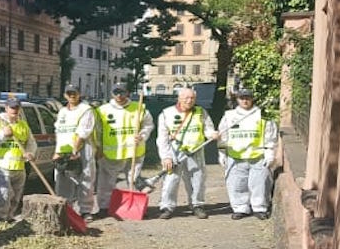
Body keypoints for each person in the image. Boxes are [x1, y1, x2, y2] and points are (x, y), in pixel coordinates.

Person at [156, 88, 218, 219]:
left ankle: (197, 205)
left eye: (192, 98)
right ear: (179, 98)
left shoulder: (201, 112)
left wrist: (212, 134)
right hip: (174, 152)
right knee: (171, 179)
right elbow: (162, 138)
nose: (189, 101)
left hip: (196, 151)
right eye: (186, 98)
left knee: (198, 179)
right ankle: (167, 206)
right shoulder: (166, 114)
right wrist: (166, 157)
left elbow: (208, 129)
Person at [93, 83, 154, 216]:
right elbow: (97, 131)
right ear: (112, 94)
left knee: (133, 180)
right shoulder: (102, 110)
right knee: (106, 182)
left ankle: (137, 207)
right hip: (110, 153)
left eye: (122, 92)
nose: (119, 96)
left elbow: (148, 125)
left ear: (127, 93)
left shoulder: (139, 108)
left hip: (134, 151)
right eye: (116, 93)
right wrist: (98, 147)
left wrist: (142, 135)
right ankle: (104, 207)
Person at [218, 89, 277, 220]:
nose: (245, 101)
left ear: (252, 99)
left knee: (260, 184)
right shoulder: (229, 116)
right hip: (235, 156)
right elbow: (222, 136)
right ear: (237, 99)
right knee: (237, 184)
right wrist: (222, 153)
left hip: (257, 155)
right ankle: (240, 208)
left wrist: (269, 152)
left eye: (247, 98)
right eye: (241, 98)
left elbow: (270, 136)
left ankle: (260, 208)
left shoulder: (262, 115)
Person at [0, 97, 36, 224]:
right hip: (0, 167)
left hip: (19, 168)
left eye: (17, 107)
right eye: (12, 107)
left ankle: (9, 219)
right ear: (6, 108)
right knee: (3, 197)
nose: (15, 110)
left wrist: (30, 153)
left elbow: (31, 143)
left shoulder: (23, 125)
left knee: (15, 198)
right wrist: (2, 135)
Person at [52, 84, 98, 220]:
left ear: (79, 94)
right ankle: (65, 209)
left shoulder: (86, 110)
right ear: (65, 95)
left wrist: (74, 151)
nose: (72, 95)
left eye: (74, 93)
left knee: (85, 179)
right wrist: (57, 151)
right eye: (69, 93)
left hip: (81, 149)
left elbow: (82, 132)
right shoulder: (62, 112)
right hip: (62, 150)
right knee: (63, 180)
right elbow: (59, 132)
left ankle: (85, 210)